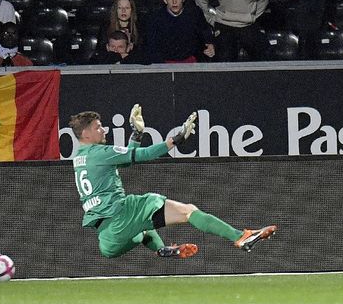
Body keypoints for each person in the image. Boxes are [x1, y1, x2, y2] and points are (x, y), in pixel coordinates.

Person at [69, 105, 277, 259]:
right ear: (85, 133)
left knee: (142, 227)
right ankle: (241, 236)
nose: (104, 130)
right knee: (187, 211)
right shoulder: (99, 153)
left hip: (107, 237)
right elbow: (141, 155)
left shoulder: (80, 158)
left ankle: (163, 250)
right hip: (120, 214)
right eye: (98, 127)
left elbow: (125, 161)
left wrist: (137, 133)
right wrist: (175, 140)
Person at [194, 0, 270, 62]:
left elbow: (263, 1)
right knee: (224, 57)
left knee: (265, 53)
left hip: (248, 25)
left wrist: (252, 16)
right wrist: (211, 17)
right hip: (224, 24)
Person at [146, 0, 215, 64]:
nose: (174, 1)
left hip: (191, 61)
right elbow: (152, 46)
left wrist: (210, 44)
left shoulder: (194, 13)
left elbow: (205, 31)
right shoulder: (156, 18)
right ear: (165, 0)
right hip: (165, 63)